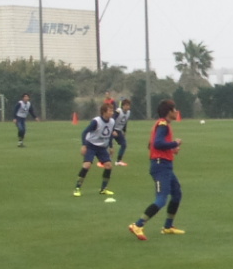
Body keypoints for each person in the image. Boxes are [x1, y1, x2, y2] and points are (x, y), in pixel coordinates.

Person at [129, 100, 185, 239]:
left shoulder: (162, 124)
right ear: (169, 112)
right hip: (160, 166)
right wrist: (174, 143)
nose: (176, 111)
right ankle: (138, 225)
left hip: (165, 165)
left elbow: (151, 144)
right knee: (161, 199)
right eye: (174, 109)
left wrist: (171, 149)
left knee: (177, 194)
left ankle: (168, 226)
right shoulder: (163, 125)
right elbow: (157, 143)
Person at [74, 102, 116, 198]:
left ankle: (103, 189)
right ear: (104, 112)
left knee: (108, 166)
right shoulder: (96, 121)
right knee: (87, 165)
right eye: (110, 111)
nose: (112, 113)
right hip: (91, 145)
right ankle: (77, 188)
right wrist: (84, 145)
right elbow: (84, 132)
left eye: (112, 110)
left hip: (102, 147)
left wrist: (111, 146)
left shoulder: (112, 122)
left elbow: (110, 134)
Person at [110, 98, 133, 167]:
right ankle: (104, 161)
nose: (127, 107)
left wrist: (124, 131)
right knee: (107, 145)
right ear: (123, 106)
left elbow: (125, 122)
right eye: (126, 105)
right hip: (112, 130)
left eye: (128, 105)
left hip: (118, 131)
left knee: (124, 144)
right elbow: (112, 120)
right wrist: (113, 130)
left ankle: (118, 161)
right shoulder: (118, 111)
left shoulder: (128, 113)